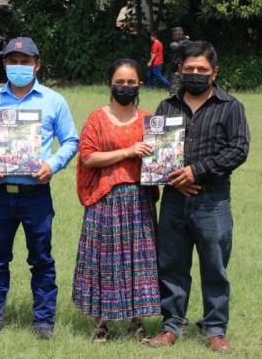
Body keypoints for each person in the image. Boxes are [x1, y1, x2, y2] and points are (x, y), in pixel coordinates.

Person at [0, 36, 79, 339]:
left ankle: (43, 321)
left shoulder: (54, 101)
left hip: (35, 194)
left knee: (41, 258)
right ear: (5, 64)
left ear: (36, 64)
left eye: (25, 62)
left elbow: (71, 140)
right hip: (0, 194)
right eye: (12, 62)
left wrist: (52, 165)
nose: (18, 67)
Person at [144, 41, 249, 354]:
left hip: (212, 200)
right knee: (172, 265)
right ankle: (171, 325)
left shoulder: (230, 107)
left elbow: (238, 150)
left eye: (201, 70)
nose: (195, 74)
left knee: (214, 266)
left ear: (214, 73)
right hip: (174, 199)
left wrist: (196, 171)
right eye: (189, 69)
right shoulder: (166, 107)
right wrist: (176, 180)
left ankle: (215, 328)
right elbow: (156, 154)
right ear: (179, 70)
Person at [73, 58, 160, 342]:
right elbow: (88, 157)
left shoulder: (150, 121)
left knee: (138, 262)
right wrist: (129, 151)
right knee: (105, 262)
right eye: (119, 82)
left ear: (140, 85)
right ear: (110, 83)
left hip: (138, 200)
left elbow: (162, 159)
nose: (125, 87)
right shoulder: (97, 118)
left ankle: (136, 322)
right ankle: (101, 323)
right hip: (105, 200)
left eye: (130, 83)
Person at [168, 27, 189, 96]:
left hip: (181, 69)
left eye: (175, 34)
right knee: (175, 90)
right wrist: (185, 39)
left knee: (178, 90)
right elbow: (178, 46)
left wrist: (185, 40)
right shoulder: (175, 44)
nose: (173, 36)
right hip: (178, 69)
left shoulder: (185, 43)